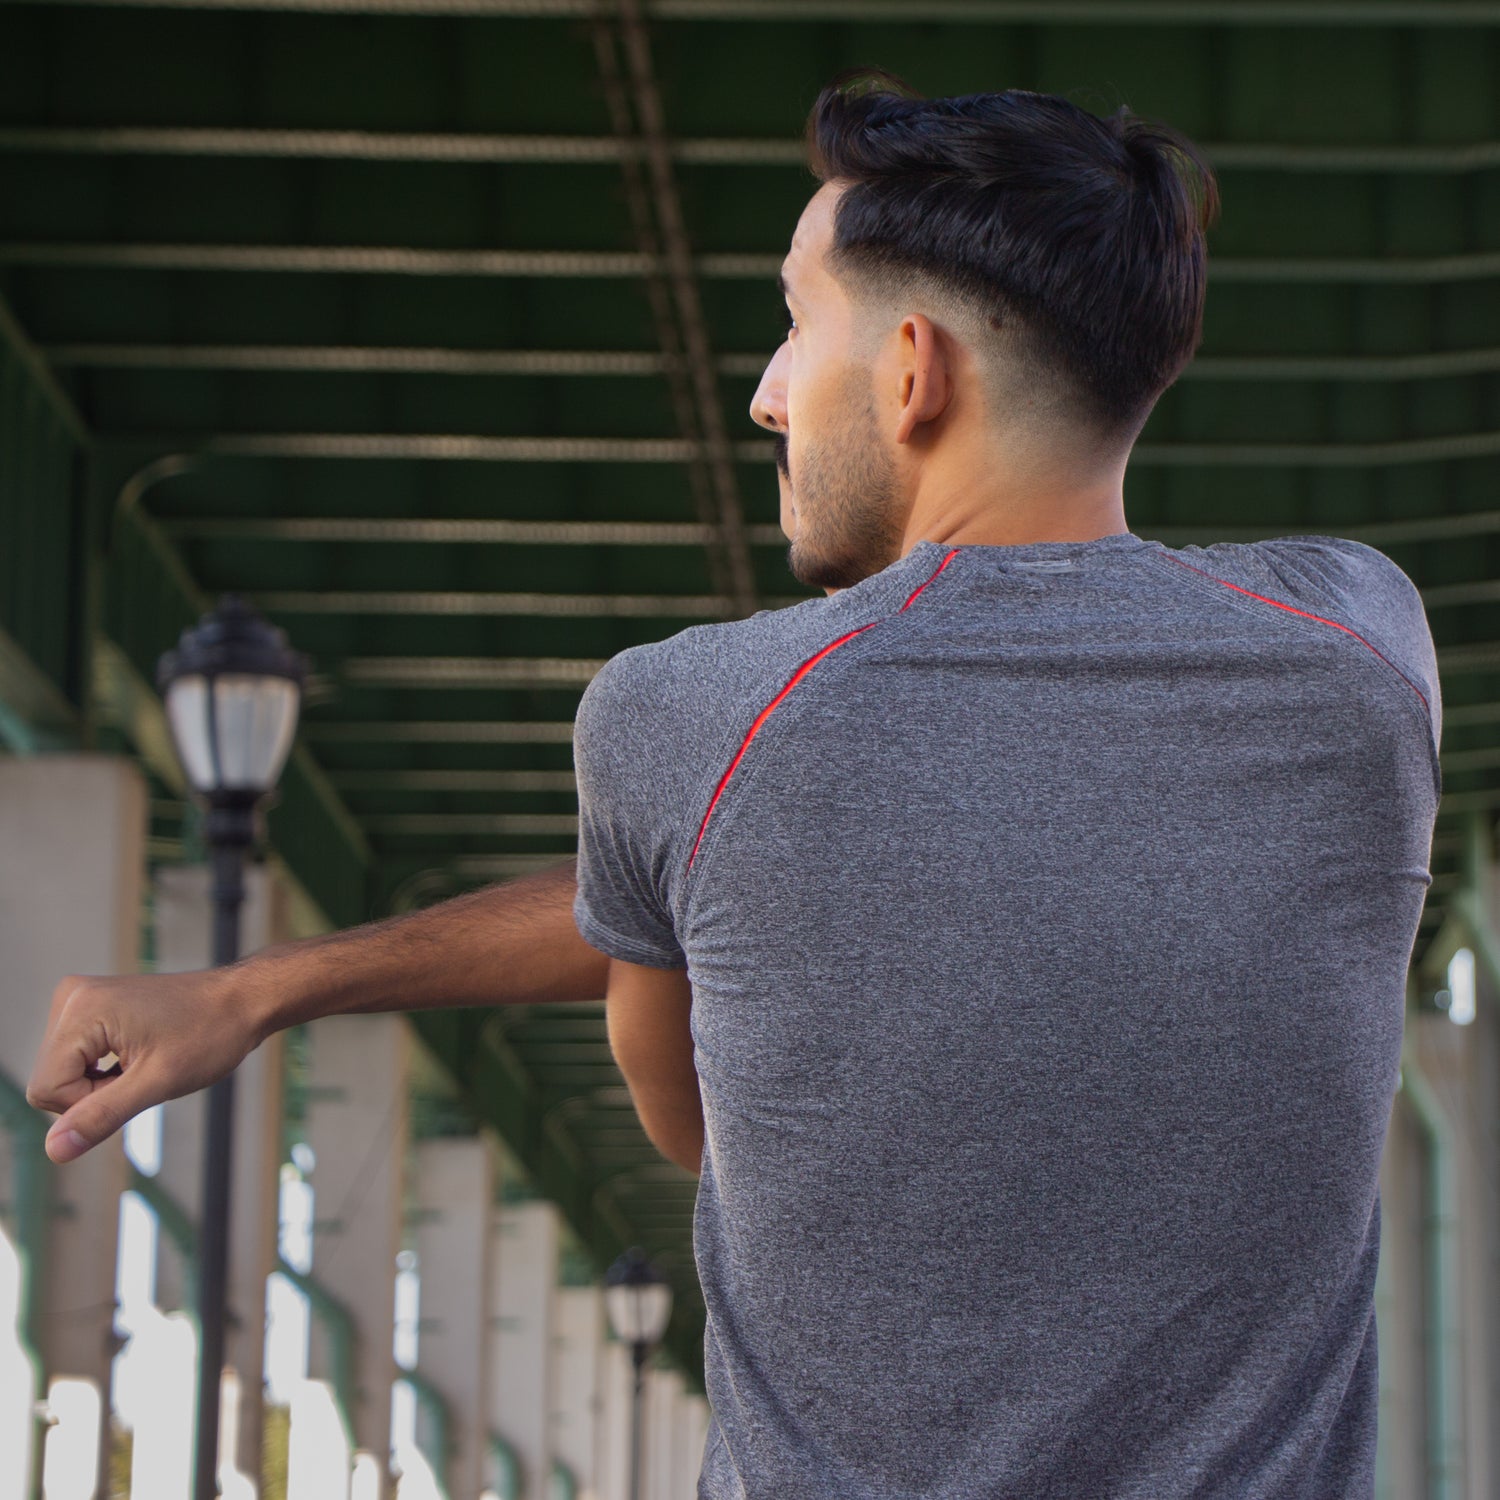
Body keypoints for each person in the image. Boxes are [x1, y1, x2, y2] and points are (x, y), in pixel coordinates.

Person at [26, 70, 1440, 1499]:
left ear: (910, 371)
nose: (767, 395)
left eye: (793, 321)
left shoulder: (690, 715)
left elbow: (701, 1105)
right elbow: (725, 894)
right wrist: (258, 990)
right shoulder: (1367, 658)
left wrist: (265, 985)